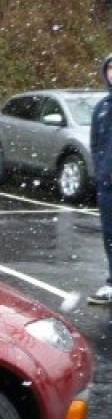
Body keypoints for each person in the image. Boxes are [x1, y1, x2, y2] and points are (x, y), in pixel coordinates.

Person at [89, 53, 112, 304]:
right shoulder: (102, 108)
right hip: (107, 186)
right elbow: (96, 144)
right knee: (110, 234)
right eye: (110, 69)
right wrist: (102, 171)